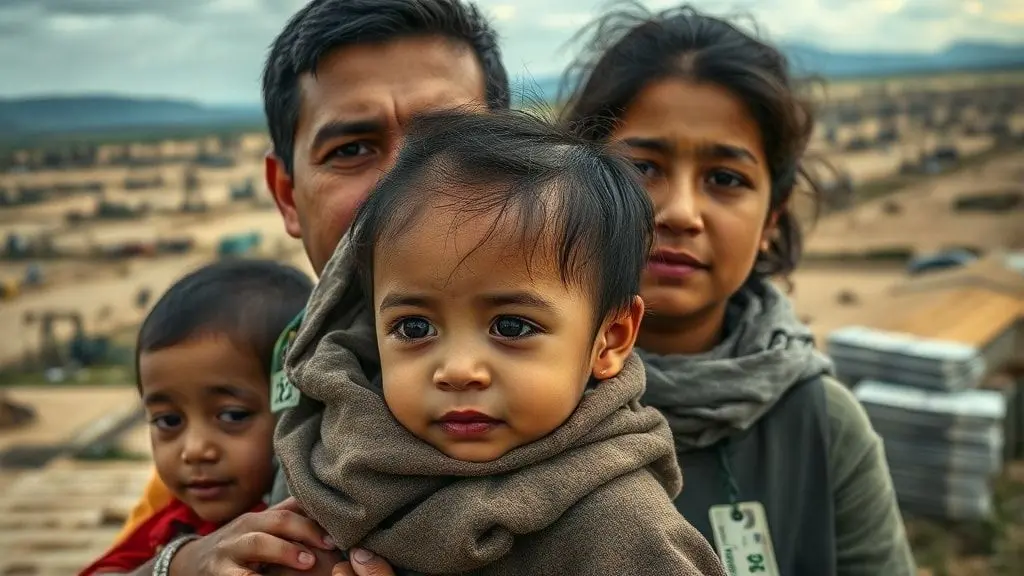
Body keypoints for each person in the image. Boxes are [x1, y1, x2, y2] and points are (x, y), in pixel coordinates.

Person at [112, 0, 510, 574]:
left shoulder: (592, 388)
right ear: (286, 193)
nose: (402, 186)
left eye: (448, 140)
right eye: (352, 150)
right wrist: (185, 563)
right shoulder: (253, 410)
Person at [273, 109, 727, 576]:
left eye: (510, 327)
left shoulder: (624, 531)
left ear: (609, 340)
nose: (458, 370)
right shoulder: (334, 469)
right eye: (414, 328)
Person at [558, 4, 917, 576]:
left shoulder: (820, 426)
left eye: (725, 179)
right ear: (577, 182)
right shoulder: (497, 389)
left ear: (772, 216)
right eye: (643, 167)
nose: (679, 212)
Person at [81, 260, 313, 575]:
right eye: (168, 421)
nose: (194, 449)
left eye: (232, 415)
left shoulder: (305, 523)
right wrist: (179, 563)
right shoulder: (175, 519)